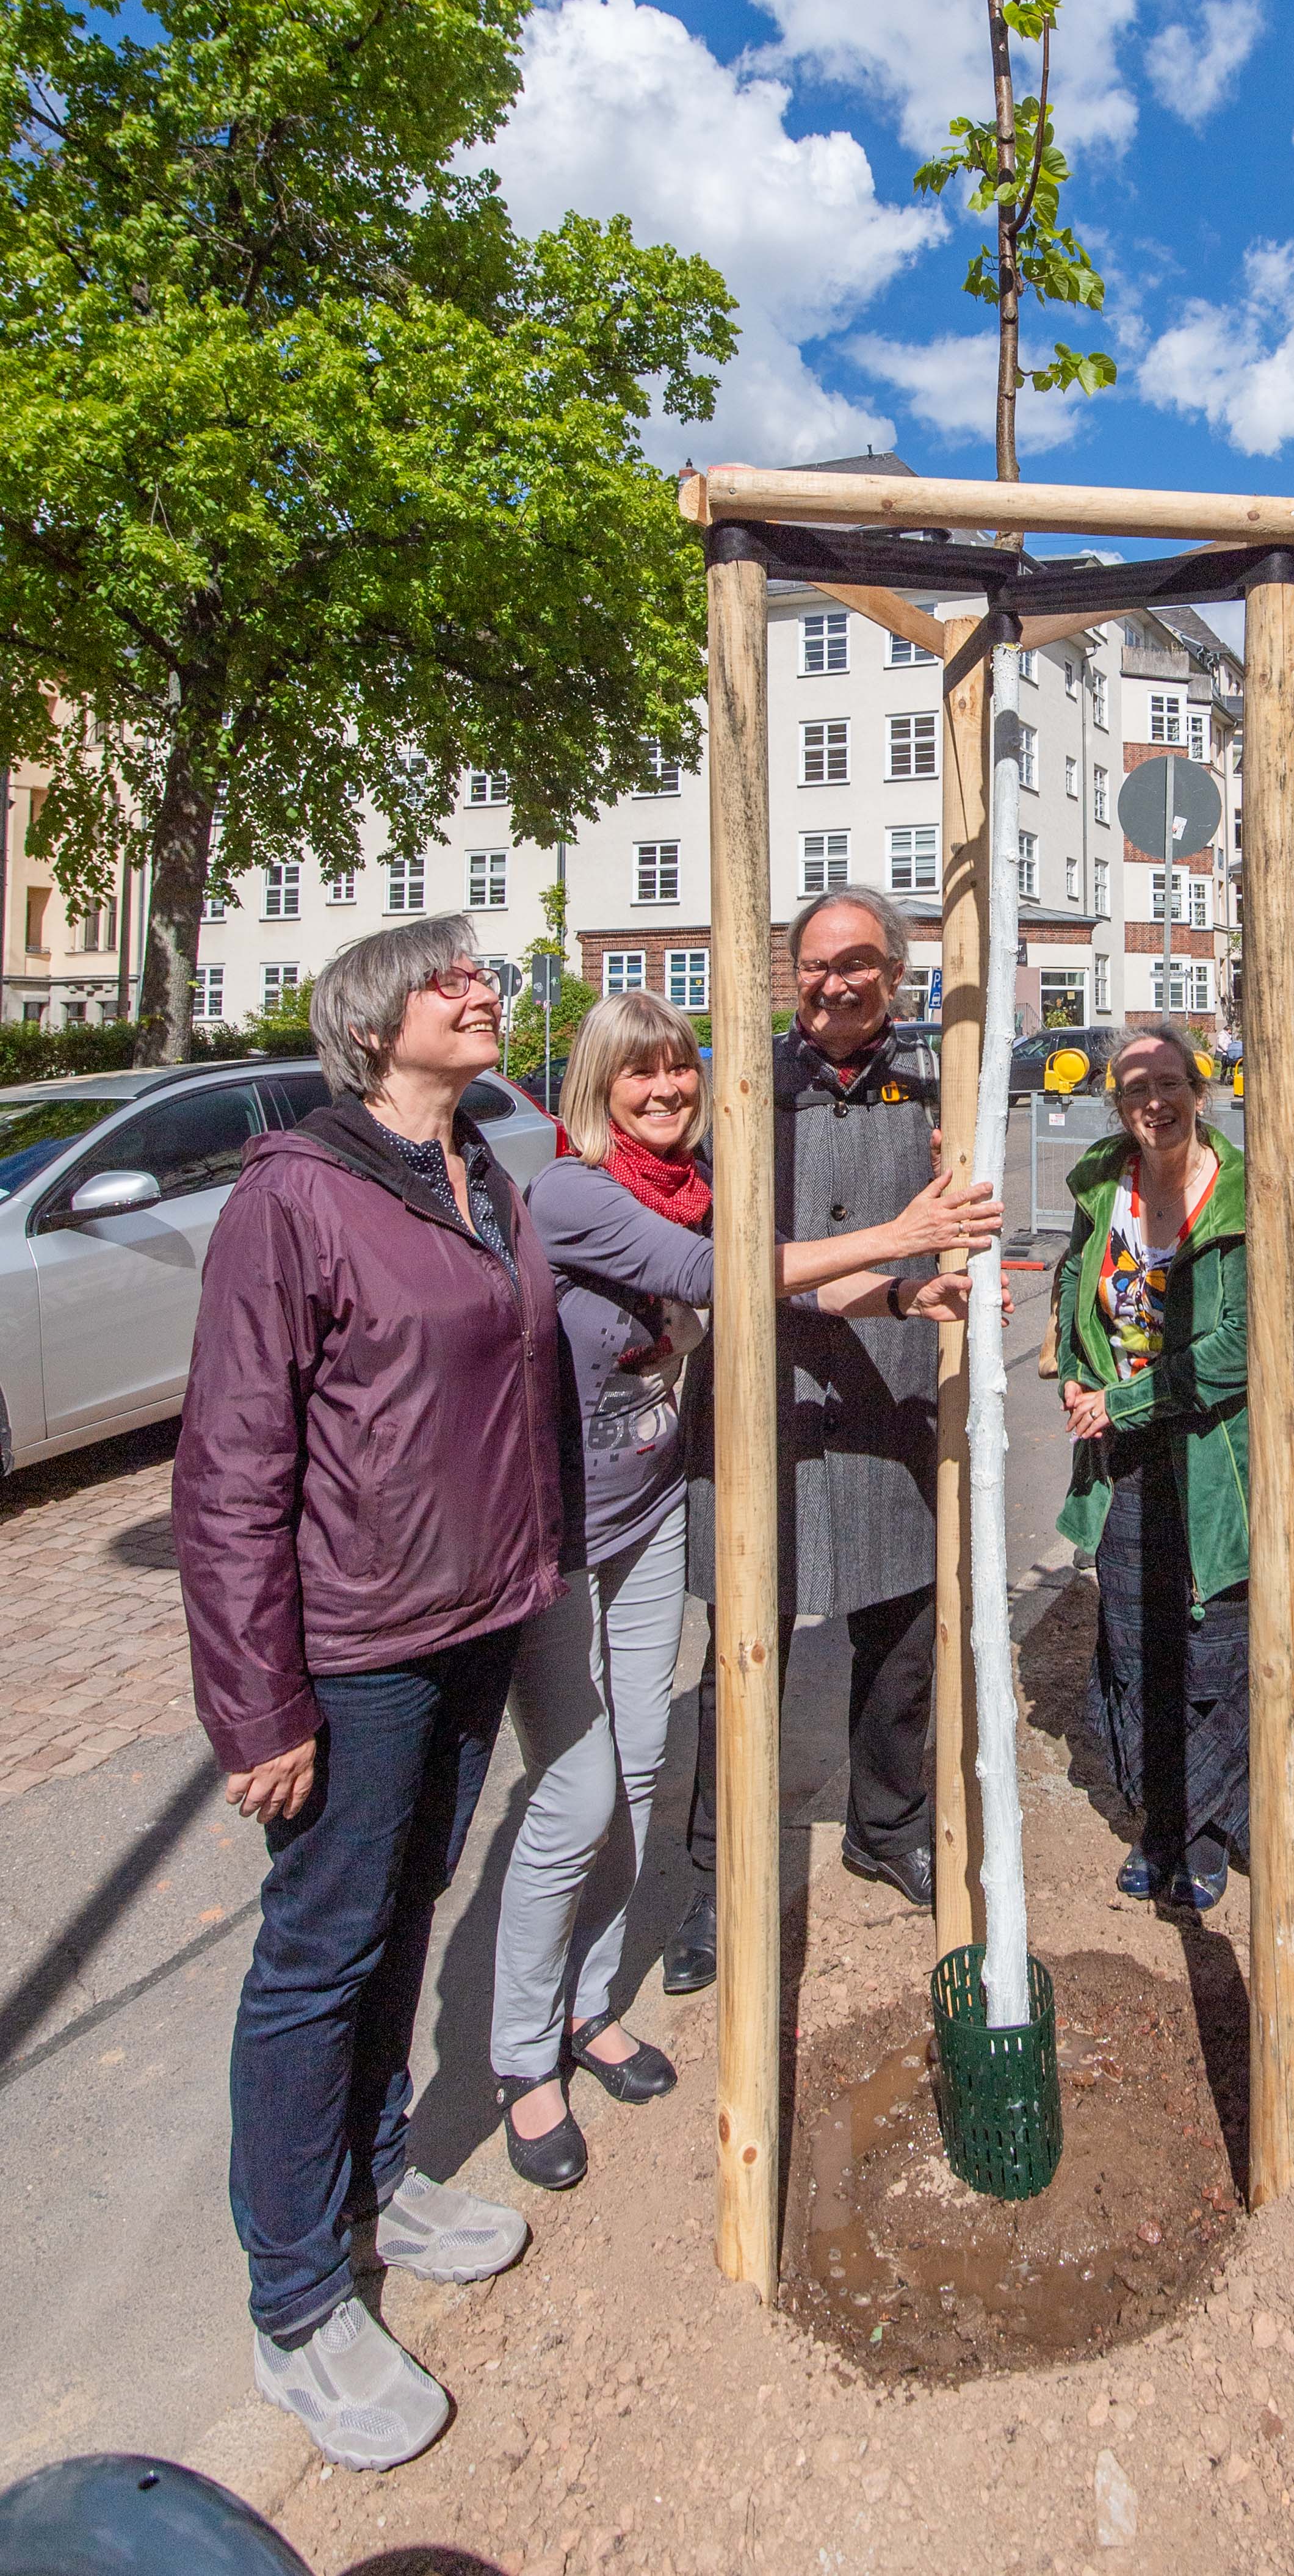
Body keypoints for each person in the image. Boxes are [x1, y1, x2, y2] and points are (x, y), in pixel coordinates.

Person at [173, 918, 563, 2472]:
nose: (485, 992)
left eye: (482, 977)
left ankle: (377, 2175)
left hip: (473, 1616)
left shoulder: (483, 1173)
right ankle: (296, 2299)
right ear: (374, 1022)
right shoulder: (297, 1199)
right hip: (355, 1641)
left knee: (407, 1911)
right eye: (452, 980)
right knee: (319, 1954)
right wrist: (256, 1703)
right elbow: (231, 1470)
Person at [493, 988, 994, 2182]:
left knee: (635, 1771)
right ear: (596, 1091)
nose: (667, 1094)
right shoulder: (576, 1193)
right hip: (556, 1533)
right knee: (568, 1800)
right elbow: (720, 1274)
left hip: (651, 1509)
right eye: (641, 1079)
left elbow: (780, 1287)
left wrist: (908, 1292)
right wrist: (899, 1231)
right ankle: (521, 2058)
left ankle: (587, 2009)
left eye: (680, 1075)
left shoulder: (693, 1180)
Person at [666, 884, 984, 1988]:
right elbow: (706, 1243)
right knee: (744, 1655)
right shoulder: (745, 1087)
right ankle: (719, 1874)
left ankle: (885, 1828)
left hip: (894, 1387)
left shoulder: (945, 1082)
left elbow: (978, 1214)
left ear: (895, 975)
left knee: (901, 1641)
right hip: (767, 1398)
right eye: (812, 964)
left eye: (855, 962)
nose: (832, 981)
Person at [1052, 1023, 1251, 1912]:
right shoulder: (1105, 1183)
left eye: (1169, 1083)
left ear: (1198, 1092)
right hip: (1123, 1455)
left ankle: (1207, 1830)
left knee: (1208, 1644)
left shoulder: (1239, 1192)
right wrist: (1071, 1363)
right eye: (1135, 1088)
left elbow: (1237, 1347)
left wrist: (1123, 1400)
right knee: (1133, 1639)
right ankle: (1159, 1820)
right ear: (1116, 1101)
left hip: (1214, 1461)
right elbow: (1071, 1277)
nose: (1154, 1102)